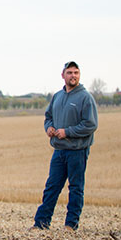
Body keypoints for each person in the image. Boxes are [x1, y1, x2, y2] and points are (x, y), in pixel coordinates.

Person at [31, 61, 98, 231]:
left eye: (76, 72)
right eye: (70, 72)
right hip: (59, 150)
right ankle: (41, 223)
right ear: (63, 75)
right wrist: (49, 128)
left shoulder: (85, 97)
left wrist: (67, 132)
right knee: (52, 187)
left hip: (77, 150)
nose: (73, 76)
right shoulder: (58, 96)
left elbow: (90, 124)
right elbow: (48, 117)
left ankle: (71, 224)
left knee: (75, 188)